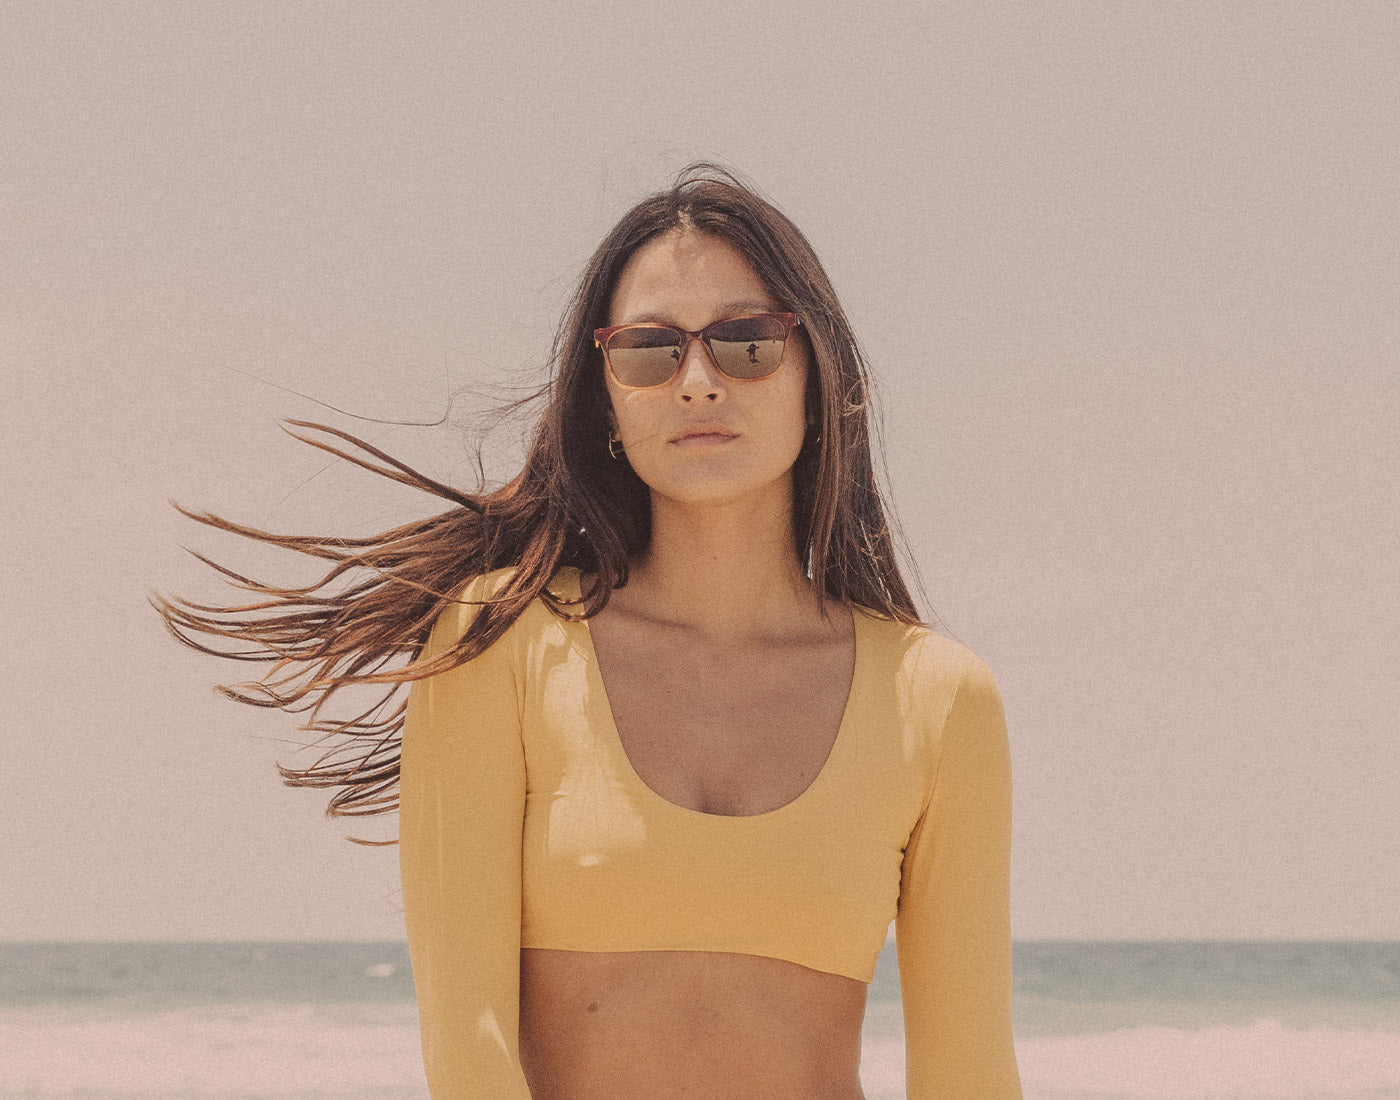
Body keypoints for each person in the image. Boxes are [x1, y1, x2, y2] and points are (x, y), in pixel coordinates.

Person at [155, 165, 1021, 1098]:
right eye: (650, 350)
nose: (697, 382)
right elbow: (470, 1044)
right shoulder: (499, 641)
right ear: (606, 397)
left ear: (817, 375)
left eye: (746, 343)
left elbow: (968, 1071)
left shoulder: (936, 698)